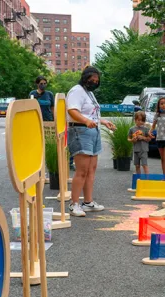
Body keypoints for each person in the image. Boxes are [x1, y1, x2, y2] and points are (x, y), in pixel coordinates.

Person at [66, 66, 116, 218]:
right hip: (81, 131)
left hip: (92, 131)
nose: (94, 82)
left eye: (96, 80)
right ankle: (74, 203)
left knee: (91, 169)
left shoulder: (89, 94)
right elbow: (72, 110)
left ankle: (88, 202)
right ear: (84, 77)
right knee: (82, 170)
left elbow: (91, 114)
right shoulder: (77, 91)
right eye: (91, 79)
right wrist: (86, 121)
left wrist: (104, 121)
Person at [149, 97, 165, 176]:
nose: (163, 105)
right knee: (163, 158)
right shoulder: (157, 115)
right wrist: (150, 132)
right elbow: (153, 126)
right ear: (159, 105)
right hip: (159, 138)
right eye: (162, 103)